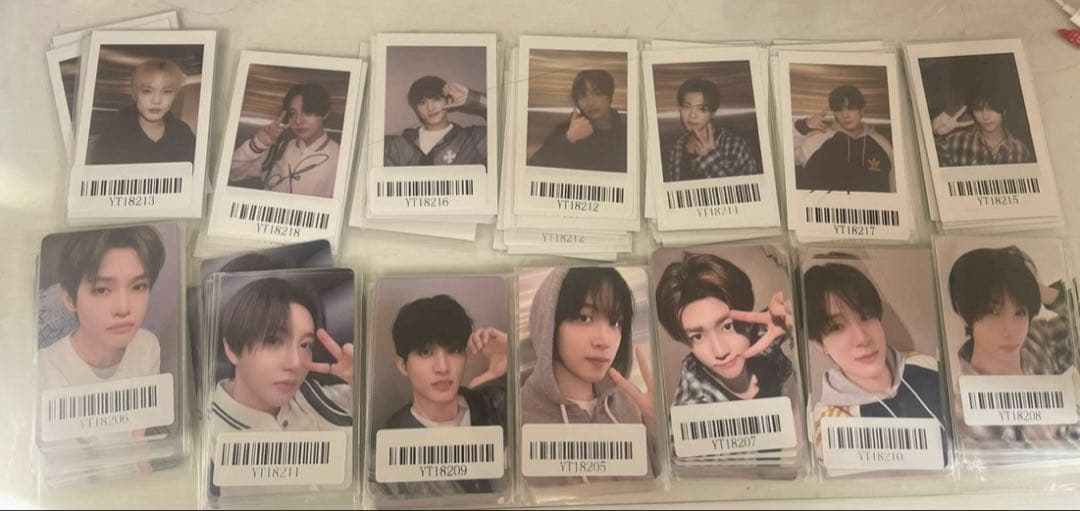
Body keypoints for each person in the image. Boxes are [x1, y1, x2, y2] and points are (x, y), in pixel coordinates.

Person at [520, 267, 655, 483]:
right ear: (548, 323)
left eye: (615, 322)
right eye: (584, 318)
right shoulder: (520, 415)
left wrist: (656, 428)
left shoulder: (632, 405)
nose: (604, 340)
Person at [802, 262, 945, 460]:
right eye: (836, 327)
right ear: (820, 344)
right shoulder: (829, 425)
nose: (862, 338)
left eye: (866, 316)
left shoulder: (926, 365)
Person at [947, 246, 1080, 447]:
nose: (1010, 331)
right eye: (993, 313)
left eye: (1020, 313)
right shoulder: (965, 408)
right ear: (963, 314)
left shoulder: (1036, 340)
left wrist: (1043, 293)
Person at [380, 294, 507, 496]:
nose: (442, 367)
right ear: (403, 365)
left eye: (454, 350)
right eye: (425, 352)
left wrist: (511, 364)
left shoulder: (493, 404)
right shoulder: (390, 440)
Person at [210, 277, 353, 434]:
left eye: (305, 345)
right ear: (231, 349)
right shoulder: (204, 434)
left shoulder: (324, 399)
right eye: (273, 341)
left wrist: (363, 383)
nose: (295, 363)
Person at [654, 252, 792, 406]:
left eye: (727, 326)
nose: (720, 352)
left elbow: (780, 322)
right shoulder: (695, 404)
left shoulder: (760, 332)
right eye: (697, 336)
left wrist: (794, 321)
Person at [39, 226, 166, 391]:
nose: (123, 309)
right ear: (70, 299)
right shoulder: (44, 367)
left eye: (138, 286)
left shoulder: (147, 346)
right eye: (101, 290)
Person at [229, 83, 340, 198]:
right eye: (293, 113)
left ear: (325, 114)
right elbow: (233, 173)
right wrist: (258, 143)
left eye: (307, 112)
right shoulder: (277, 150)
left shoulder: (340, 157)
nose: (298, 121)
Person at [89, 58, 196, 165]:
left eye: (167, 92)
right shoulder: (114, 132)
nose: (156, 100)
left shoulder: (183, 133)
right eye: (147, 91)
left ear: (175, 96)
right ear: (134, 94)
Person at [792, 85, 893, 193]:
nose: (845, 115)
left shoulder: (882, 144)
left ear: (862, 111)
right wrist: (804, 126)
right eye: (839, 109)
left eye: (851, 108)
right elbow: (786, 159)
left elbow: (894, 187)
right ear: (834, 113)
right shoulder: (817, 141)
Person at [527, 69, 627, 173]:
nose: (590, 102)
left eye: (598, 93)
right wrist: (569, 139)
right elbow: (533, 167)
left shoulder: (627, 132)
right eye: (583, 96)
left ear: (610, 96)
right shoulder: (565, 131)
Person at [664, 78, 760, 182]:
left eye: (701, 109)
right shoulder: (677, 147)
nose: (692, 115)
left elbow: (749, 187)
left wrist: (709, 158)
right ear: (680, 109)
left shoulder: (734, 145)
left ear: (712, 113)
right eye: (687, 107)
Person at [384, 76, 487, 167]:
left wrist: (473, 98)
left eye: (436, 99)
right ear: (416, 109)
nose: (430, 108)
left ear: (448, 100)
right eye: (422, 102)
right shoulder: (398, 146)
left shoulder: (474, 139)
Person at [932, 81, 1034, 166]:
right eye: (978, 109)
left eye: (992, 108)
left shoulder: (1020, 151)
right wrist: (935, 133)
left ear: (1004, 109)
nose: (985, 116)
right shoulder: (957, 141)